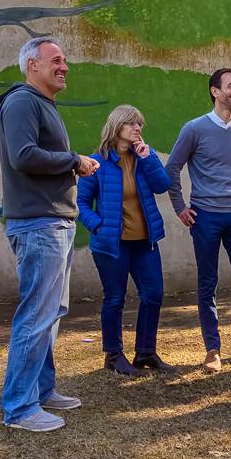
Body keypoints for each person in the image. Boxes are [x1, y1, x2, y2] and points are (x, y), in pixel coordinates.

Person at [0, 36, 99, 432]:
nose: (64, 66)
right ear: (31, 65)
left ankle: (42, 390)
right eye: (55, 60)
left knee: (51, 312)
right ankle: (20, 408)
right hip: (40, 223)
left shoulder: (40, 104)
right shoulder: (22, 101)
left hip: (53, 222)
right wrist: (74, 160)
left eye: (65, 61)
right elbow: (22, 156)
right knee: (37, 314)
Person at [166, 68, 231, 372]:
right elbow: (172, 168)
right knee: (207, 284)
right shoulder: (194, 129)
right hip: (205, 217)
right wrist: (180, 207)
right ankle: (212, 349)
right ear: (215, 91)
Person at [77, 105, 173, 377]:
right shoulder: (96, 163)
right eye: (132, 124)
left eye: (140, 124)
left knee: (153, 296)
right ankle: (114, 355)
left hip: (145, 243)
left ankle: (145, 352)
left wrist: (149, 159)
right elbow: (82, 204)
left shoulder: (144, 157)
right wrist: (99, 226)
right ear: (117, 127)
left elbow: (163, 185)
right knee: (115, 299)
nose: (138, 128)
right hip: (111, 245)